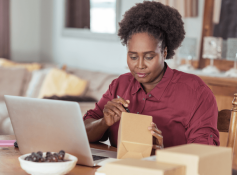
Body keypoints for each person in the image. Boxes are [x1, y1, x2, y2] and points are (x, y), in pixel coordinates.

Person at [83, 1, 219, 152]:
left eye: (148, 57)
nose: (140, 65)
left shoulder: (195, 91)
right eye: (133, 57)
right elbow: (83, 130)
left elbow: (205, 153)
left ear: (164, 53)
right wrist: (104, 122)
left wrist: (162, 152)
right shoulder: (120, 84)